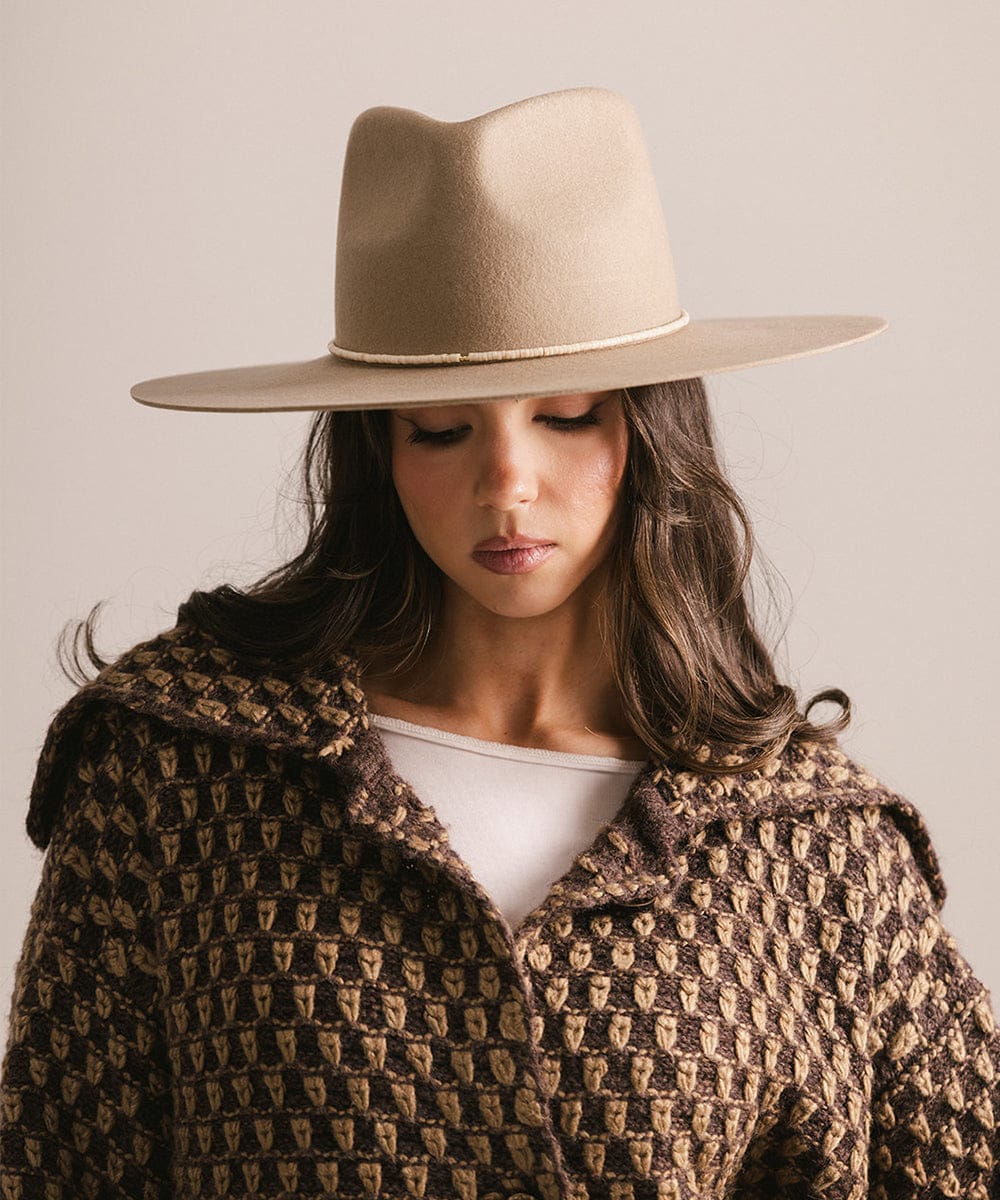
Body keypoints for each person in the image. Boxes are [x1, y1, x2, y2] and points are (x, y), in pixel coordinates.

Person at [1, 86, 996, 1200]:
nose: (506, 486)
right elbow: (57, 1160)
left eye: (566, 416)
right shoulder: (177, 774)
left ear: (651, 430)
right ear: (378, 451)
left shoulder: (814, 849)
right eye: (442, 429)